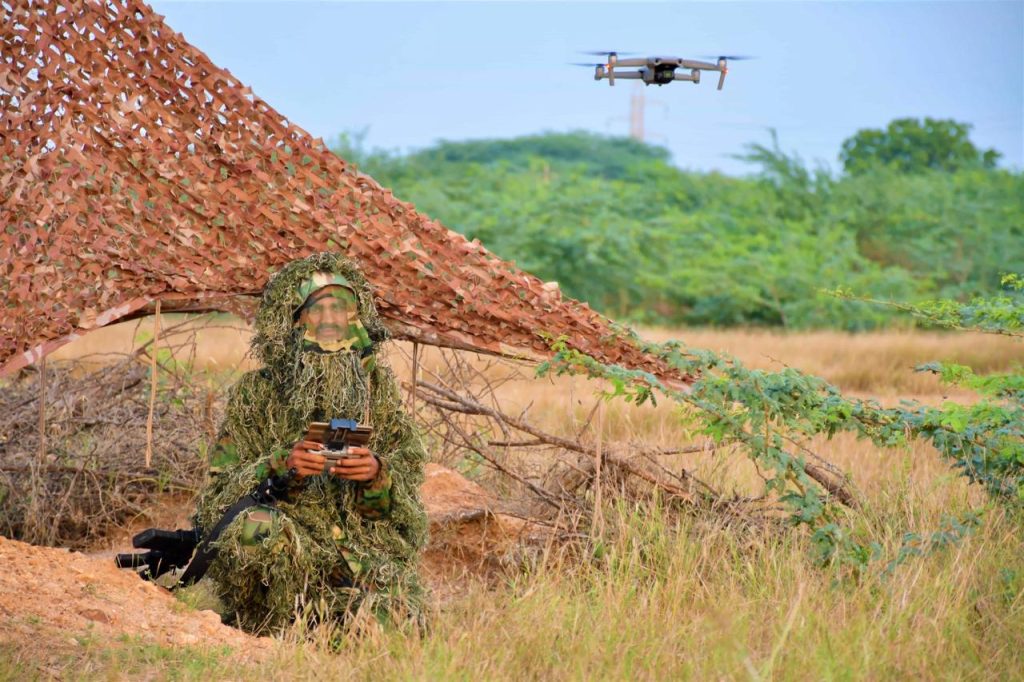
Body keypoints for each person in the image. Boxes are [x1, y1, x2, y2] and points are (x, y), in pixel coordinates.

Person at [191, 252, 429, 634]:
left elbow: (403, 511)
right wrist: (282, 467)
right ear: (293, 320)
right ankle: (268, 625)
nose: (331, 322)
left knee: (397, 624)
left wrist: (375, 474)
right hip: (292, 550)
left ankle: (328, 626)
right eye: (317, 310)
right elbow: (218, 500)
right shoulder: (256, 396)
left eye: (343, 311)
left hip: (359, 554)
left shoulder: (378, 393)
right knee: (256, 529)